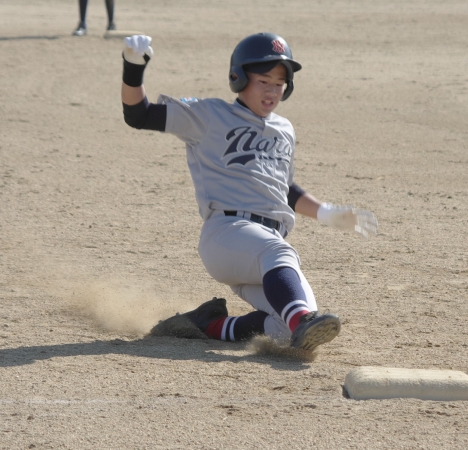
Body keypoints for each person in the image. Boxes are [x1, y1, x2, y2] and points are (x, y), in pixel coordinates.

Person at [119, 33, 378, 351]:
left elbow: (284, 188)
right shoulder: (210, 115)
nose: (272, 91)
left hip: (262, 249)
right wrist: (134, 67)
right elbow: (139, 114)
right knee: (290, 281)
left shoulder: (284, 129)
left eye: (280, 83)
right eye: (263, 81)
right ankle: (300, 318)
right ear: (238, 78)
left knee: (288, 331)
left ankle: (206, 324)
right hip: (227, 234)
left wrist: (326, 213)